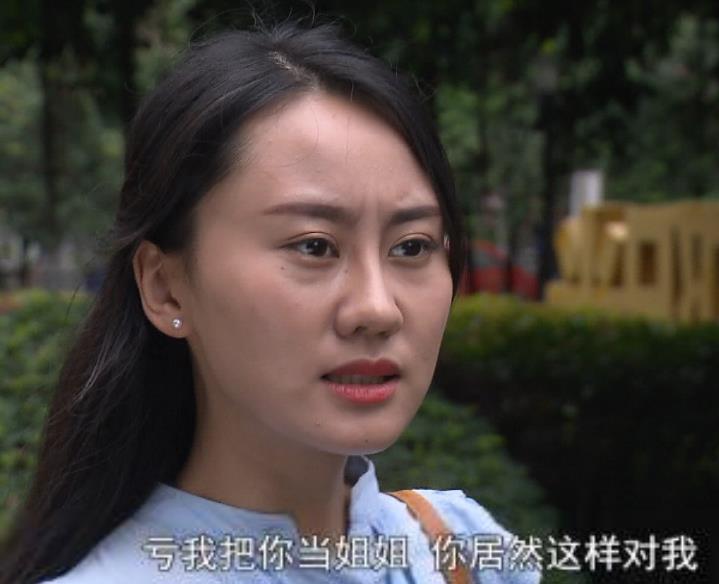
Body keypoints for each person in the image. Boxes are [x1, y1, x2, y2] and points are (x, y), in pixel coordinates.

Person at [0, 21, 541, 584]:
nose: (378, 309)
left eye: (411, 246)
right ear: (164, 287)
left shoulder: (460, 550)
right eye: (314, 246)